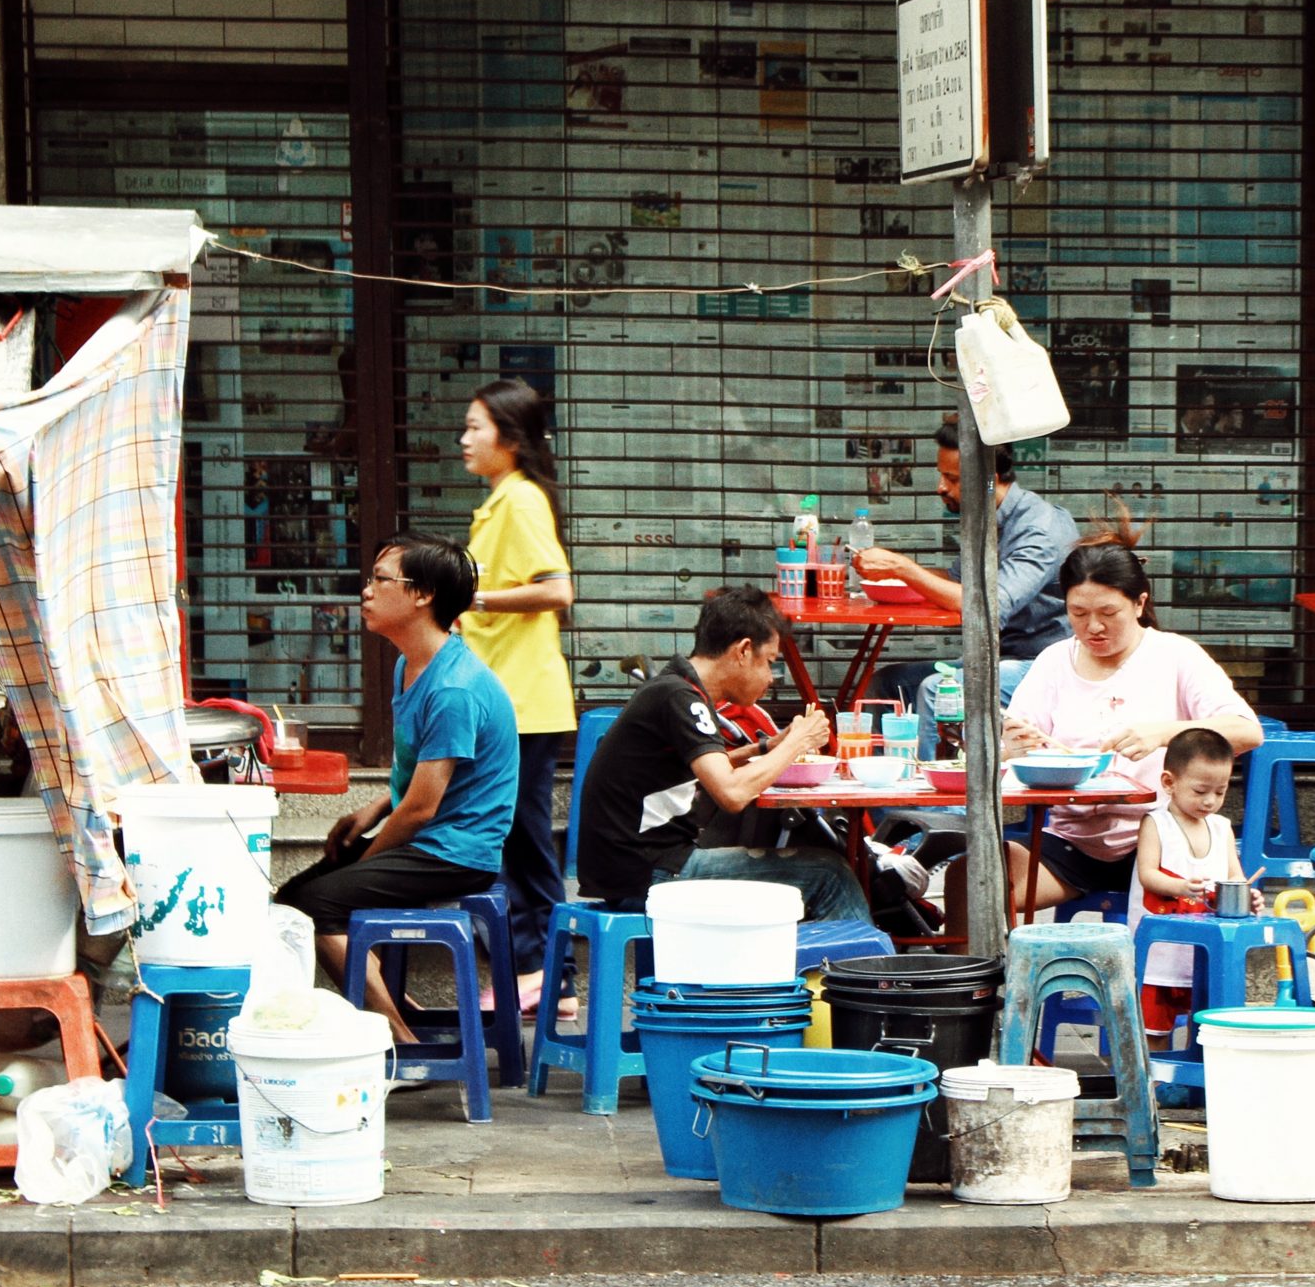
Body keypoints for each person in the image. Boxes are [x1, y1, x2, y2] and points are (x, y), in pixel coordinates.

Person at [277, 534, 520, 1044]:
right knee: (294, 897)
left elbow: (422, 809)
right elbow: (426, 773)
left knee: (317, 903)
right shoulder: (411, 665)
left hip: (456, 850)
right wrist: (373, 808)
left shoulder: (453, 688)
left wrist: (366, 861)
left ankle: (394, 1042)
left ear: (422, 595)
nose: (366, 590)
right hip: (431, 837)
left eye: (380, 580)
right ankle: (398, 1016)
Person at [993, 536, 1262, 916]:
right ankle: (984, 977)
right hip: (1076, 844)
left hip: (1163, 842)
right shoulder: (1054, 662)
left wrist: (1165, 733)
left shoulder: (1175, 655)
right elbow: (1008, 749)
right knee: (973, 879)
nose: (1094, 627)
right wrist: (1018, 748)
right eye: (1079, 613)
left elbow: (1248, 731)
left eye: (1108, 612)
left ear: (1140, 603)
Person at [581, 586, 864, 919]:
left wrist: (766, 747)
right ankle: (860, 970)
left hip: (630, 868)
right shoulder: (681, 697)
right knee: (830, 873)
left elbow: (704, 769)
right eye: (770, 662)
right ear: (743, 651)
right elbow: (731, 793)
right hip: (649, 872)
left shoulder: (676, 688)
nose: (771, 679)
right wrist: (796, 742)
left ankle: (812, 965)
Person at [454, 379, 576, 1016]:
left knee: (522, 843)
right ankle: (543, 975)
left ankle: (548, 976)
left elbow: (558, 590)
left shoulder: (523, 502)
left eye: (476, 427)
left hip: (524, 704)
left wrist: (473, 598)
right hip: (504, 703)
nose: (465, 439)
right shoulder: (503, 502)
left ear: (509, 435)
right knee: (510, 841)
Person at [857, 417, 1077, 715]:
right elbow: (958, 582)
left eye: (954, 479)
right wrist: (889, 575)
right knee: (887, 683)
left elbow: (988, 606)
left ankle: (935, 763)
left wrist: (902, 568)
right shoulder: (984, 516)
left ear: (990, 478)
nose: (941, 487)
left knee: (935, 690)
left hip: (1041, 664)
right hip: (997, 658)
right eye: (941, 476)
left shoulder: (1040, 528)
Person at [1129, 726, 1261, 1046]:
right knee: (1153, 1033)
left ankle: (1192, 1087)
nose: (1210, 801)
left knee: (1204, 1028)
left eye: (1220, 791)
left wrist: (1249, 896)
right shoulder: (1156, 823)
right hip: (1160, 955)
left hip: (1206, 955)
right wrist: (1181, 886)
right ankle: (1155, 1088)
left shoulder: (1221, 828)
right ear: (1169, 783)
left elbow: (1235, 876)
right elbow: (1148, 874)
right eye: (1200, 791)